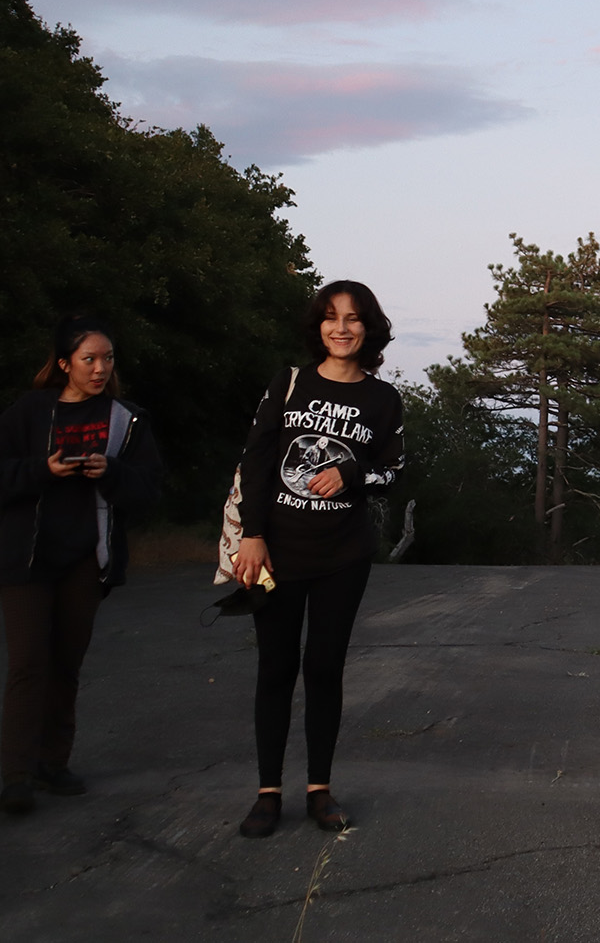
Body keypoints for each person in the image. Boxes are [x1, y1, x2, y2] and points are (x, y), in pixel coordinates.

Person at [231, 282, 404, 838]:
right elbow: (257, 462)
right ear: (318, 327)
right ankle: (267, 794)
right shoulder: (289, 383)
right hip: (275, 551)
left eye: (353, 319)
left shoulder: (383, 400)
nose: (342, 328)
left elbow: (393, 473)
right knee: (275, 669)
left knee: (325, 670)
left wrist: (353, 471)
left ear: (369, 328)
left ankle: (320, 792)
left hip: (343, 556)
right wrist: (252, 536)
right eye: (331, 318)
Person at [0, 315, 165, 815]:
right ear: (64, 364)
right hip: (29, 559)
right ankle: (16, 776)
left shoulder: (127, 418)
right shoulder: (30, 413)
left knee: (66, 664)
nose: (100, 368)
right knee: (27, 664)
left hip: (86, 558)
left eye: (107, 359)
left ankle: (52, 763)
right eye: (89, 359)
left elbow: (149, 489)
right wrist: (44, 469)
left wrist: (112, 472)